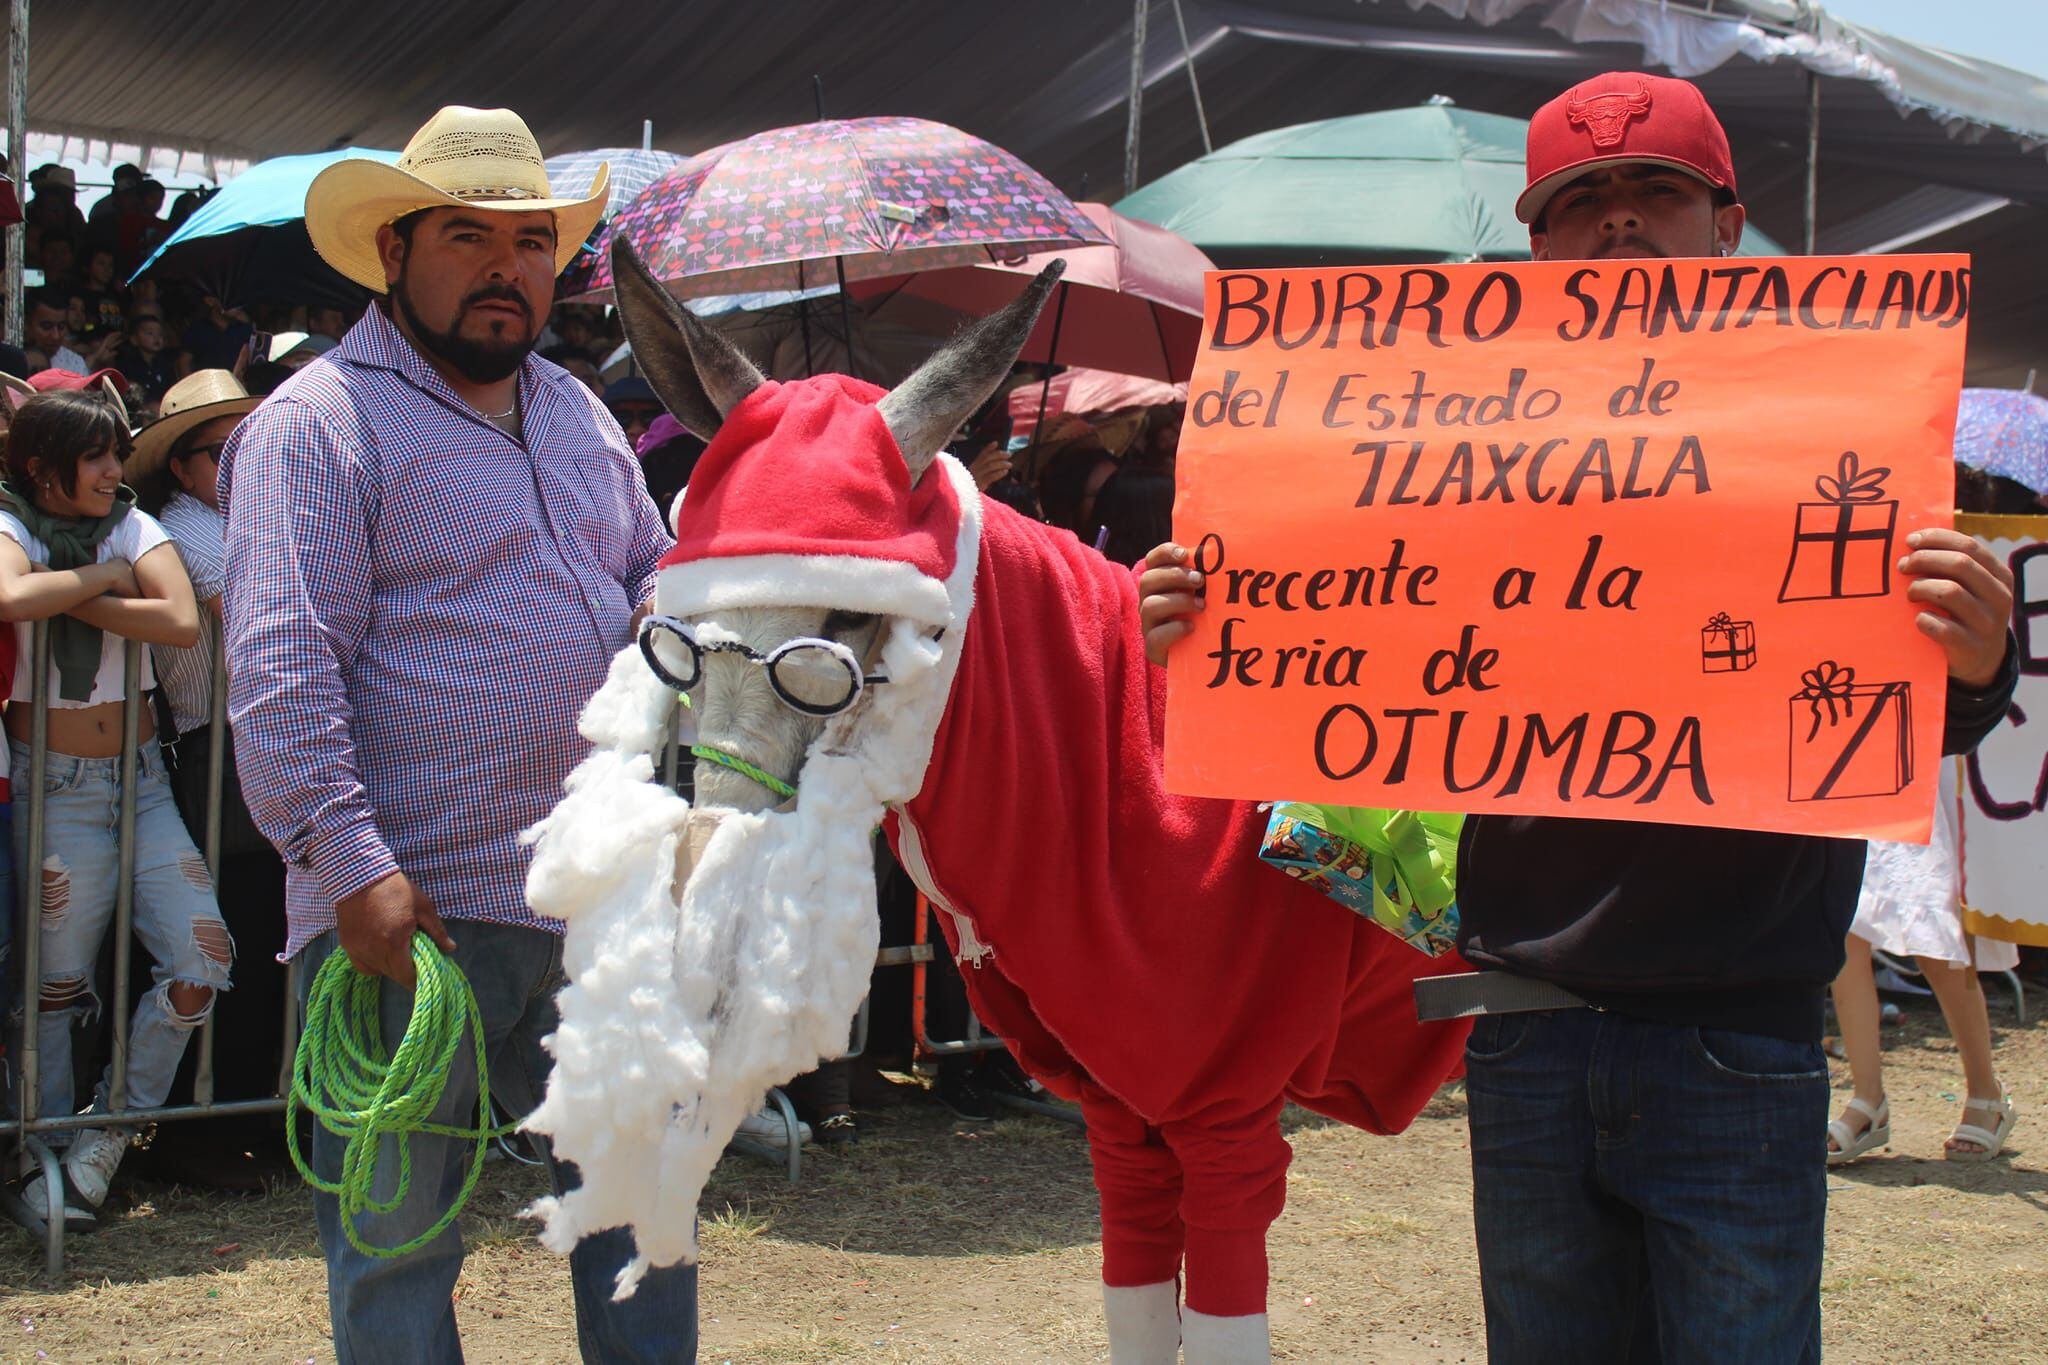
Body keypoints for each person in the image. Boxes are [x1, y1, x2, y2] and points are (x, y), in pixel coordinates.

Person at [1138, 71, 2019, 1364]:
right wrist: (1215, 630)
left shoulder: (1839, 423)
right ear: (1533, 244)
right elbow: (1339, 658)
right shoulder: (1440, 442)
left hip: (1739, 1033)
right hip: (1528, 1027)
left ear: (1727, 226)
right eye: (1580, 201)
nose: (1618, 222)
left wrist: (1979, 653)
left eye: (1653, 191)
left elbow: (1903, 724)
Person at [220, 105, 692, 1363]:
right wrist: (353, 866)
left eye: (532, 242)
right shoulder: (317, 423)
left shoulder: (579, 413)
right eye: (469, 236)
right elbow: (278, 667)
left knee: (640, 1218)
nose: (506, 268)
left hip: (597, 898)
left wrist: (672, 605)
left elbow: (652, 569)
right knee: (397, 1248)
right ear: (392, 252)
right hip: (416, 912)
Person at [0, 388, 232, 1232]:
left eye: (114, 455)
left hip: (141, 781)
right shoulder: (12, 521)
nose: (110, 471)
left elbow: (174, 618)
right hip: (51, 780)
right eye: (94, 458)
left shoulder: (134, 524)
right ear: (41, 467)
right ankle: (43, 1149)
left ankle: (106, 1132)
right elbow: (4, 594)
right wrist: (101, 577)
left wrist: (71, 585)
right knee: (55, 985)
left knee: (201, 960)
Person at [128, 371, 292, 1134]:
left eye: (250, 445)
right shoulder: (185, 527)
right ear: (182, 467)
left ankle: (247, 1110)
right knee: (242, 931)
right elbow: (264, 616)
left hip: (259, 741)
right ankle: (214, 1123)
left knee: (268, 934)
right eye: (221, 451)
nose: (240, 462)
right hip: (219, 754)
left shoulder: (251, 520)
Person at [116, 311, 181, 405]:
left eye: (160, 334)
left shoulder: (166, 363)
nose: (156, 338)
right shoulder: (127, 365)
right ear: (134, 339)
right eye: (150, 333)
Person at [25, 288, 86, 375]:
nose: (55, 336)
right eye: (46, 327)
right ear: (27, 324)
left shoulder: (75, 364)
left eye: (61, 327)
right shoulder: (8, 358)